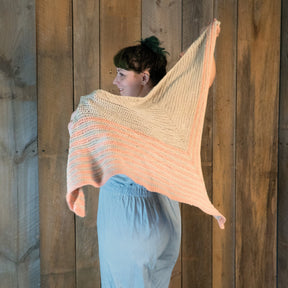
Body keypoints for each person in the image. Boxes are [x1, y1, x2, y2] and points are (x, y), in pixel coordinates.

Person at [96, 27, 220, 288]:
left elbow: (202, 84)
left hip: (137, 224)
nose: (115, 82)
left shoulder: (160, 113)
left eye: (121, 75)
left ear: (144, 77)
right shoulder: (132, 111)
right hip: (128, 220)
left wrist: (204, 52)